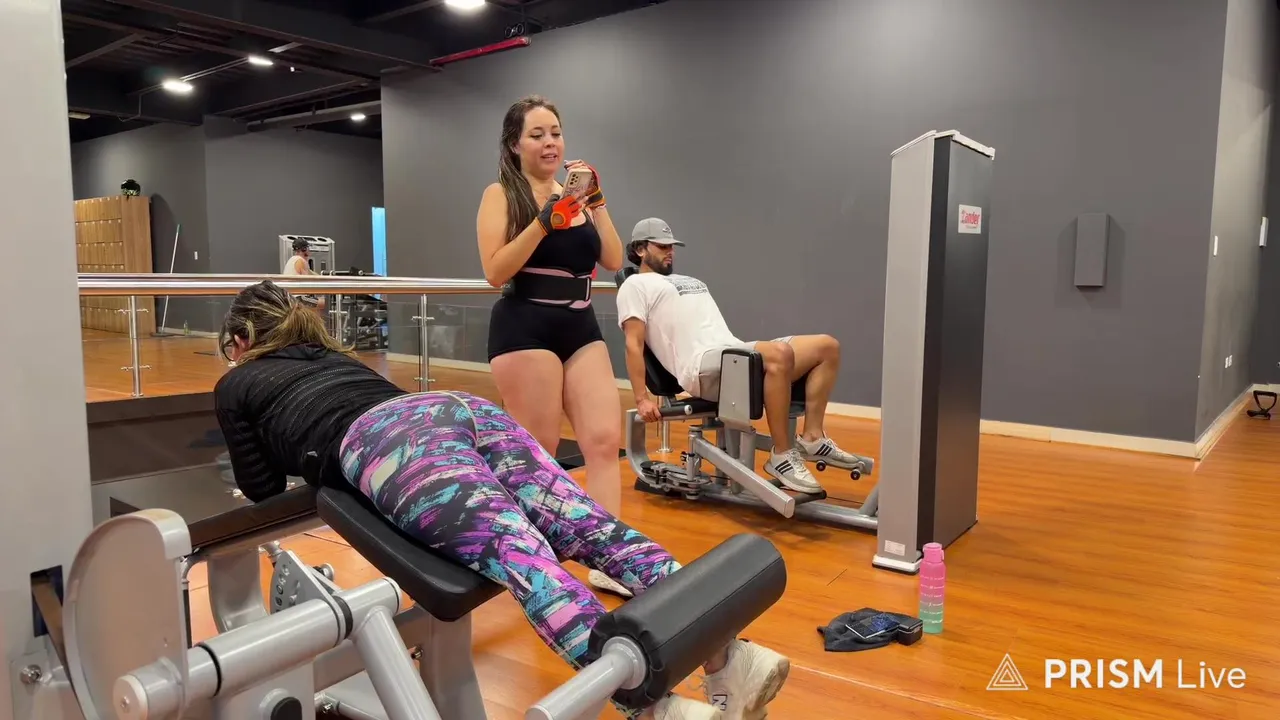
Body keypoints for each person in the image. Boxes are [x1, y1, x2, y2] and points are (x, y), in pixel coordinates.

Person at [212, 280, 789, 720]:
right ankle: (731, 657)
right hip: (454, 408)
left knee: (522, 556)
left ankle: (658, 707)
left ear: (241, 342)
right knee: (588, 524)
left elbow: (260, 488)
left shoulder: (236, 381)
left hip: (391, 444)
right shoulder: (333, 358)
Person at [476, 95, 631, 597]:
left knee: (603, 441)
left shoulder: (576, 196)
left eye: (556, 133)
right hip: (525, 326)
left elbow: (613, 259)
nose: (550, 143)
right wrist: (544, 222)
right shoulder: (502, 194)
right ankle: (528, 560)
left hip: (579, 325)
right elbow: (494, 270)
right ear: (514, 144)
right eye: (537, 134)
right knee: (538, 451)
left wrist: (597, 203)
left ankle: (608, 559)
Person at [617, 218, 867, 495]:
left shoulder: (686, 280)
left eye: (672, 247)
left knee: (827, 347)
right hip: (701, 366)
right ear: (640, 249)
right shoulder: (635, 285)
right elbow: (633, 344)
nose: (670, 252)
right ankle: (782, 455)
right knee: (779, 353)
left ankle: (812, 437)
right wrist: (641, 398)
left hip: (731, 352)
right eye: (662, 246)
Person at [281, 236, 327, 315]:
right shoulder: (301, 261)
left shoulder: (293, 260)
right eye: (308, 248)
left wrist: (325, 278)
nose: (309, 251)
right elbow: (308, 282)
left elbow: (312, 274)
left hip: (289, 298)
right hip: (298, 298)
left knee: (317, 302)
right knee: (323, 303)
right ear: (304, 249)